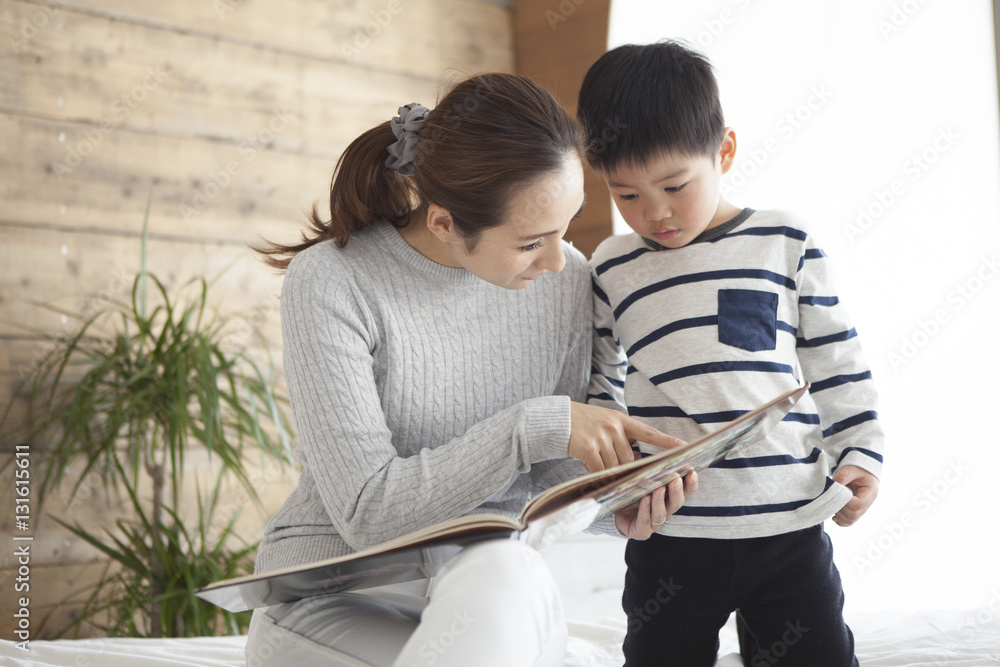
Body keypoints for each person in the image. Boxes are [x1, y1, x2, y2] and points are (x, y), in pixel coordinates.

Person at [244, 72, 697, 667]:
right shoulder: (333, 281)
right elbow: (367, 514)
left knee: (506, 563)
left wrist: (617, 504)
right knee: (505, 571)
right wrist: (532, 426)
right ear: (444, 224)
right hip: (340, 601)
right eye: (534, 241)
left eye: (567, 227)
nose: (561, 260)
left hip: (486, 588)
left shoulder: (564, 280)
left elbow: (543, 480)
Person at [576, 41, 885, 666]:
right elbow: (598, 388)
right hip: (671, 532)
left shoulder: (783, 240)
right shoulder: (611, 265)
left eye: (674, 185)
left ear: (724, 152)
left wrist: (862, 454)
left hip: (788, 524)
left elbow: (837, 360)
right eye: (627, 195)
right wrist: (615, 483)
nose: (655, 212)